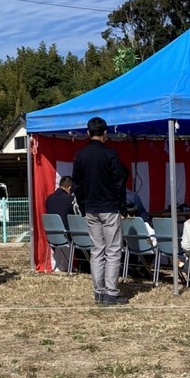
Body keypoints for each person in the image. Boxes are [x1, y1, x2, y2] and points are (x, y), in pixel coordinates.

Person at [72, 117, 128, 306]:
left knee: (97, 250)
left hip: (90, 208)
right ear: (106, 133)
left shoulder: (80, 155)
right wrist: (123, 206)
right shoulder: (111, 154)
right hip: (109, 207)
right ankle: (111, 292)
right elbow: (119, 183)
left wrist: (82, 205)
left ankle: (98, 292)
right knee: (113, 250)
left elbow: (77, 184)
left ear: (88, 133)